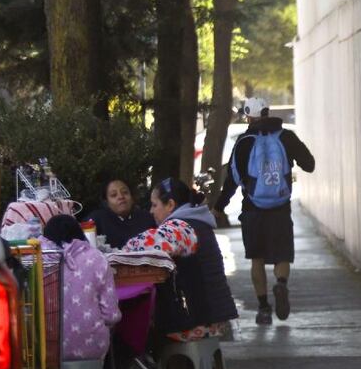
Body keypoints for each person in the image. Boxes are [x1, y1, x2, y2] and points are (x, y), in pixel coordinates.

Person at [214, 97, 315, 326]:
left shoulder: (243, 142)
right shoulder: (286, 136)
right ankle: (281, 283)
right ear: (269, 113)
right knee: (282, 254)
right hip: (280, 208)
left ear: (248, 116)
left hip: (253, 209)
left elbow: (232, 180)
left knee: (256, 259)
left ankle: (263, 308)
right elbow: (309, 164)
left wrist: (219, 207)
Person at [126, 177, 239, 342]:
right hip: (215, 314)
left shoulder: (181, 228)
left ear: (170, 205)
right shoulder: (196, 222)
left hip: (201, 320)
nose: (151, 211)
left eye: (155, 205)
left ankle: (167, 367)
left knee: (139, 329)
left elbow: (142, 244)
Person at [41, 215, 121, 361]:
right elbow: (111, 315)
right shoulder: (97, 258)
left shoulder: (38, 260)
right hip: (93, 349)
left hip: (47, 350)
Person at [87, 179, 156, 249]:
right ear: (106, 202)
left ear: (132, 197)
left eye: (125, 192)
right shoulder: (97, 219)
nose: (121, 197)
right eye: (114, 195)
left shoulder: (147, 218)